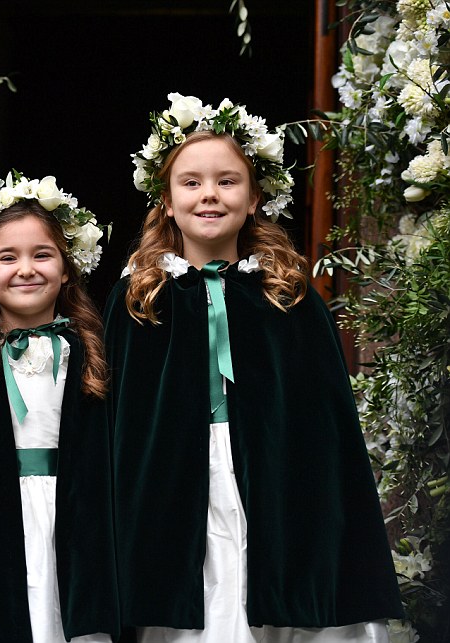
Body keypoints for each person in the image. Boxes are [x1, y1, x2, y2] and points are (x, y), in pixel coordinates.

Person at [105, 93, 404, 642]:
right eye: (191, 182)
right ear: (167, 202)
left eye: (228, 180)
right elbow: (119, 420)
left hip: (277, 482)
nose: (210, 195)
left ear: (255, 197)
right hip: (174, 493)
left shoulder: (289, 295)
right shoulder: (138, 297)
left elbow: (327, 421)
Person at [0, 173, 119, 643]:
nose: (26, 269)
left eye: (42, 255)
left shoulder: (89, 353)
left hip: (71, 515)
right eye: (8, 257)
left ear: (66, 269)